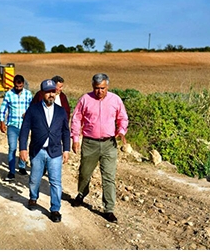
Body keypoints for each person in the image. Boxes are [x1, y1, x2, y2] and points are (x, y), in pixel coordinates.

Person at [70, 73, 128, 224]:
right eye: (96, 88)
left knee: (108, 177)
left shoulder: (115, 99)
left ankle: (109, 209)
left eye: (102, 88)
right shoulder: (85, 99)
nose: (99, 91)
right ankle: (82, 194)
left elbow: (123, 118)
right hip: (90, 143)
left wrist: (121, 131)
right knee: (84, 173)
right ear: (92, 87)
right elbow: (76, 118)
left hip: (109, 144)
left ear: (107, 86)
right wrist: (75, 139)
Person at [19, 79, 71, 223]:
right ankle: (33, 198)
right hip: (38, 151)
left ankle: (55, 209)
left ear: (56, 92)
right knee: (35, 179)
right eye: (47, 92)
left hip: (55, 151)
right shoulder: (33, 109)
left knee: (55, 181)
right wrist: (22, 148)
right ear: (42, 93)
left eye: (53, 92)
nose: (50, 95)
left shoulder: (61, 112)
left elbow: (66, 132)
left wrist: (66, 149)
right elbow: (24, 131)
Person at [0, 74, 34, 181]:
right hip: (12, 126)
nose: (18, 89)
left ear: (23, 84)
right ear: (14, 84)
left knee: (23, 146)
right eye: (17, 86)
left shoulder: (28, 94)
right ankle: (11, 171)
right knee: (12, 148)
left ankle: (22, 167)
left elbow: (33, 108)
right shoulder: (9, 94)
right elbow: (3, 108)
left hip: (25, 126)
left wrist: (28, 115)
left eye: (21, 86)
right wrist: (2, 121)